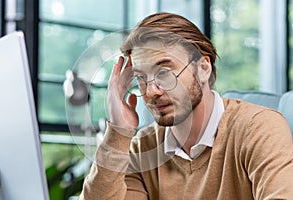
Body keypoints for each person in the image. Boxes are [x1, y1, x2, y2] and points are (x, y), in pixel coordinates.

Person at [79, 12, 293, 200]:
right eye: (141, 78)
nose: (151, 91)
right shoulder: (142, 149)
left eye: (164, 73)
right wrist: (119, 132)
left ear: (203, 68)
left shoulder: (259, 128)